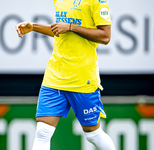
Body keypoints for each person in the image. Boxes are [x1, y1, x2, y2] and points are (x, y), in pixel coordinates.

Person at [16, 0, 115, 149]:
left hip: (83, 78)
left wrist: (70, 27)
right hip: (55, 75)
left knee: (93, 134)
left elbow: (105, 36)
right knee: (42, 132)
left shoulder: (97, 1)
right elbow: (61, 31)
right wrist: (34, 27)